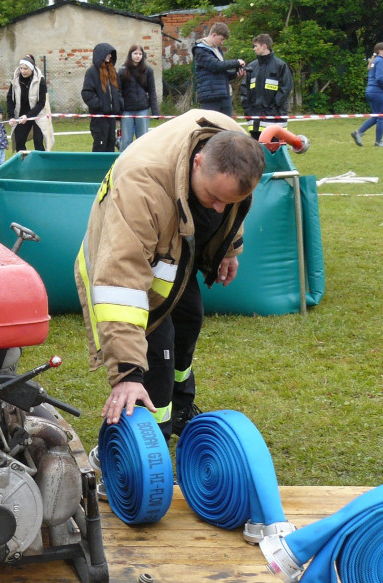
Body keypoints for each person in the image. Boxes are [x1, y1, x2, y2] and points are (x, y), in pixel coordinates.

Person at [75, 110, 266, 444]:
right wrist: (127, 373)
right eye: (214, 198)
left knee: (189, 320)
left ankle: (179, 410)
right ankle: (148, 441)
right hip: (120, 260)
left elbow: (233, 208)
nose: (219, 209)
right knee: (156, 352)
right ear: (198, 162)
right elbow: (120, 283)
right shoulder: (141, 186)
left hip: (169, 245)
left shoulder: (233, 145)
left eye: (228, 201)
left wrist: (230, 249)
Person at [239, 33, 293, 140]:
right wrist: (247, 108)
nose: (254, 49)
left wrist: (273, 108)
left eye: (256, 46)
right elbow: (244, 89)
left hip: (274, 117)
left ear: (264, 46)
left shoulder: (280, 66)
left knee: (275, 149)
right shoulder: (252, 66)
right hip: (255, 118)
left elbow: (285, 88)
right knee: (256, 151)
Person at [192, 22, 245, 116]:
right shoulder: (200, 50)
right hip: (210, 97)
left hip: (224, 95)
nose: (222, 42)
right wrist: (236, 62)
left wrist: (236, 73)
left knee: (226, 127)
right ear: (214, 35)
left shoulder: (217, 50)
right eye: (221, 39)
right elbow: (215, 66)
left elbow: (221, 73)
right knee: (211, 127)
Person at [6, 54, 54, 151]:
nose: (22, 71)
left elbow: (41, 102)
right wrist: (11, 116)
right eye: (21, 68)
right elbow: (10, 99)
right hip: (21, 114)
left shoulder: (40, 80)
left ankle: (42, 165)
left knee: (38, 142)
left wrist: (28, 116)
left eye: (25, 69)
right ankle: (25, 163)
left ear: (32, 69)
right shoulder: (15, 80)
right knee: (19, 141)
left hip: (38, 114)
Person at [81, 43, 123, 152]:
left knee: (110, 143)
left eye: (111, 54)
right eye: (107, 53)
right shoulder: (91, 72)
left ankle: (109, 168)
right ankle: (97, 168)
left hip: (111, 117)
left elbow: (118, 91)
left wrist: (118, 105)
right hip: (99, 117)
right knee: (100, 144)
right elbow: (87, 93)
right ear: (100, 54)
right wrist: (100, 105)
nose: (109, 56)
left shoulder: (113, 72)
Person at [118, 44, 160, 151]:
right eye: (135, 53)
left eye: (140, 54)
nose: (138, 56)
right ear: (130, 55)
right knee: (126, 140)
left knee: (143, 139)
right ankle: (123, 162)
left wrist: (155, 111)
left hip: (142, 109)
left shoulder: (148, 70)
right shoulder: (122, 71)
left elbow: (152, 91)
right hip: (127, 110)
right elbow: (118, 92)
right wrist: (119, 110)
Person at [352, 43, 383, 147]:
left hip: (370, 91)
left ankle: (358, 132)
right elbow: (379, 78)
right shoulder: (380, 61)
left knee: (376, 116)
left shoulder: (375, 61)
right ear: (380, 51)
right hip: (378, 92)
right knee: (382, 117)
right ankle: (379, 142)